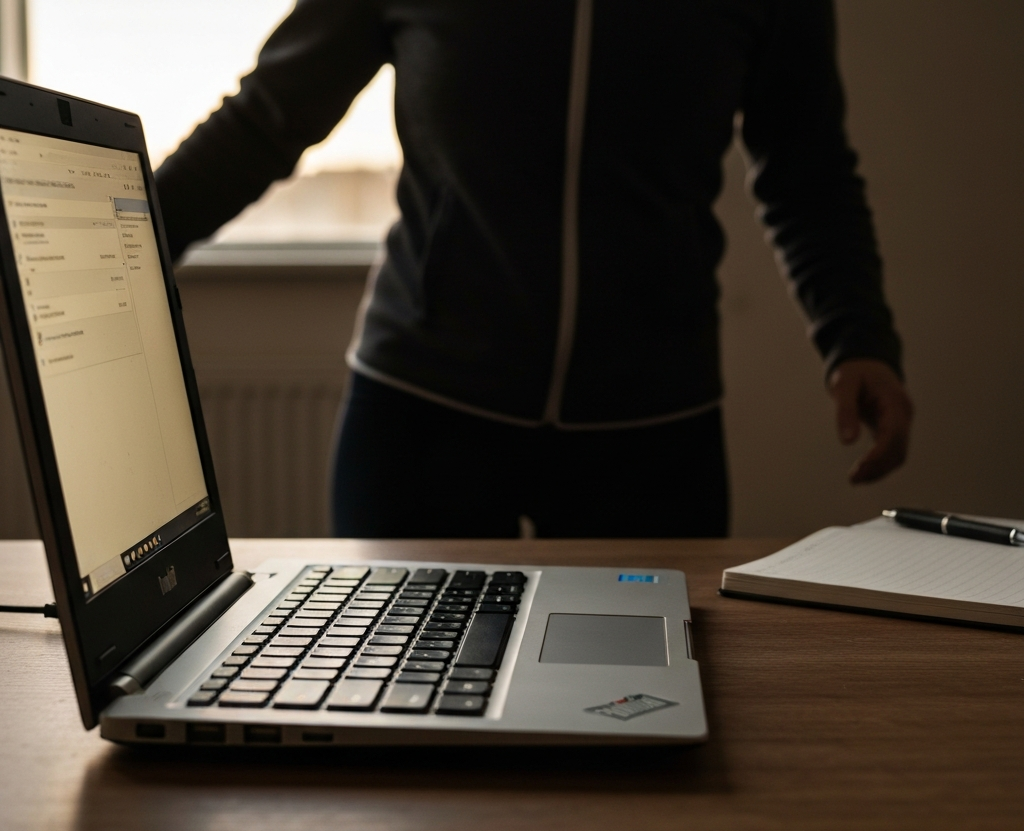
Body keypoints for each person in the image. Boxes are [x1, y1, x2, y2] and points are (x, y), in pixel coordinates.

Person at [156, 0, 913, 539]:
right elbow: (267, 118)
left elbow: (807, 168)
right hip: (422, 417)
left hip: (651, 433)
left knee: (636, 741)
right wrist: (127, 250)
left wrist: (858, 335)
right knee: (399, 750)